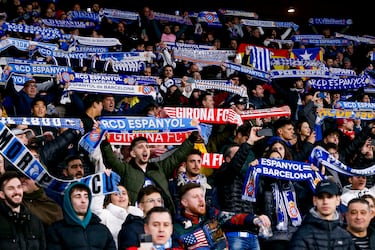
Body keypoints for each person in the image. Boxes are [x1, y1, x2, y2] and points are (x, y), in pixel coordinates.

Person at [100, 131, 199, 214]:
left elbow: (177, 156)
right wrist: (105, 142)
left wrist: (191, 140)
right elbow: (110, 160)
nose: (145, 149)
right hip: (138, 217)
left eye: (147, 147)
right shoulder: (126, 169)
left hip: (162, 214)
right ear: (133, 153)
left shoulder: (159, 167)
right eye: (140, 147)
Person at [173, 183, 271, 249]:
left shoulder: (213, 215)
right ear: (184, 202)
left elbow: (235, 218)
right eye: (195, 197)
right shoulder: (176, 229)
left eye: (202, 196)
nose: (201, 199)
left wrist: (255, 219)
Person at [46, 182, 116, 249]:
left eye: (86, 196)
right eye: (78, 196)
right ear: (69, 201)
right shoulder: (56, 230)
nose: (83, 200)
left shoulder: (102, 229)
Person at [289, 179, 356, 249]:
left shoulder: (345, 236)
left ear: (338, 200)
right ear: (314, 200)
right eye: (321, 197)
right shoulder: (301, 235)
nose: (325, 201)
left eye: (329, 196)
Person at [0, 171, 46, 249]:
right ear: (2, 194)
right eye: (11, 188)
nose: (17, 192)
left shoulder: (35, 220)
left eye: (19, 187)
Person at [91, 183, 143, 248]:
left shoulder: (139, 215)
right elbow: (95, 209)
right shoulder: (106, 214)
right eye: (116, 194)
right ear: (110, 199)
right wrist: (102, 181)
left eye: (124, 193)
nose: (121, 196)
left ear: (129, 199)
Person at [118, 185, 164, 250]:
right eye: (151, 201)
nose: (157, 204)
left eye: (159, 201)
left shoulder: (167, 227)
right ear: (141, 206)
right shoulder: (132, 229)